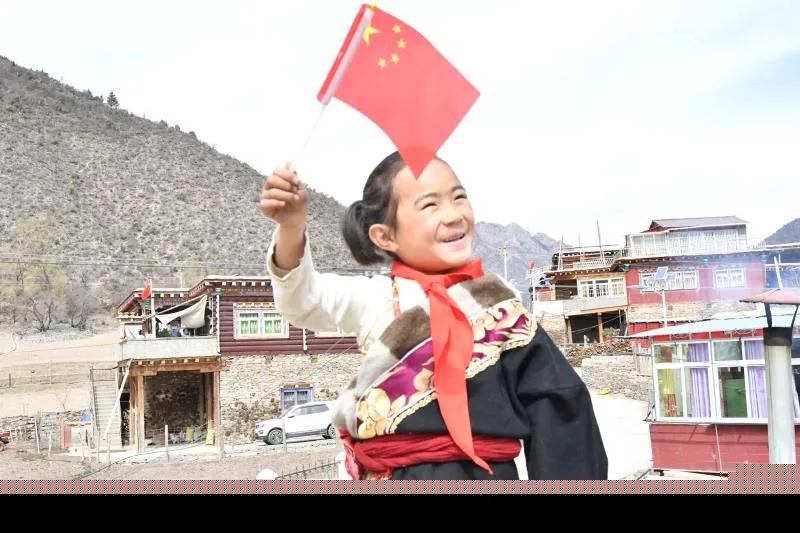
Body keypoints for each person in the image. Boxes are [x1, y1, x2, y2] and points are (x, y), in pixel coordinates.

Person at [260, 152, 607, 480]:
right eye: (430, 205)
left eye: (459, 197)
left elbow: (559, 406)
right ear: (385, 235)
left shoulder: (499, 307)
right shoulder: (374, 298)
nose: (454, 215)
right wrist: (291, 227)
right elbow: (302, 299)